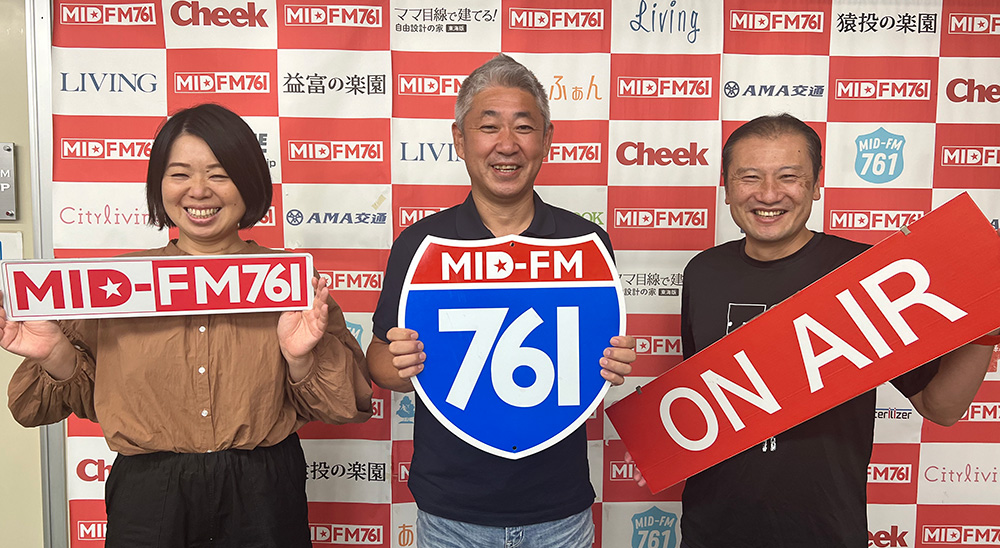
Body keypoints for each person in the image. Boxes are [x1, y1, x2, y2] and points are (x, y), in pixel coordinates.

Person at [3, 103, 373, 548]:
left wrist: (299, 359)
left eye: (219, 174)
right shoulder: (112, 286)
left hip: (264, 490)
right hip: (148, 493)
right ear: (159, 185)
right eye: (180, 174)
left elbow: (346, 405)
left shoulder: (289, 281)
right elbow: (36, 409)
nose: (199, 191)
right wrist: (55, 354)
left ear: (249, 182)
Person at [674, 113, 997, 547]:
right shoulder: (702, 272)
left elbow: (941, 407)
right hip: (710, 529)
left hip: (824, 532)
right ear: (727, 187)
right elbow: (696, 406)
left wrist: (987, 324)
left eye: (789, 176)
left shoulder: (865, 273)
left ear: (816, 184)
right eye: (749, 177)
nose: (768, 194)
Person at [367, 54, 636, 548]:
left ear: (547, 140)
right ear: (459, 140)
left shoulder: (586, 244)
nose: (507, 144)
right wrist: (400, 363)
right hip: (450, 513)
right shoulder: (422, 245)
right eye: (489, 127)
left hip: (560, 511)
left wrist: (609, 360)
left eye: (524, 127)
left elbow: (592, 357)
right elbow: (380, 363)